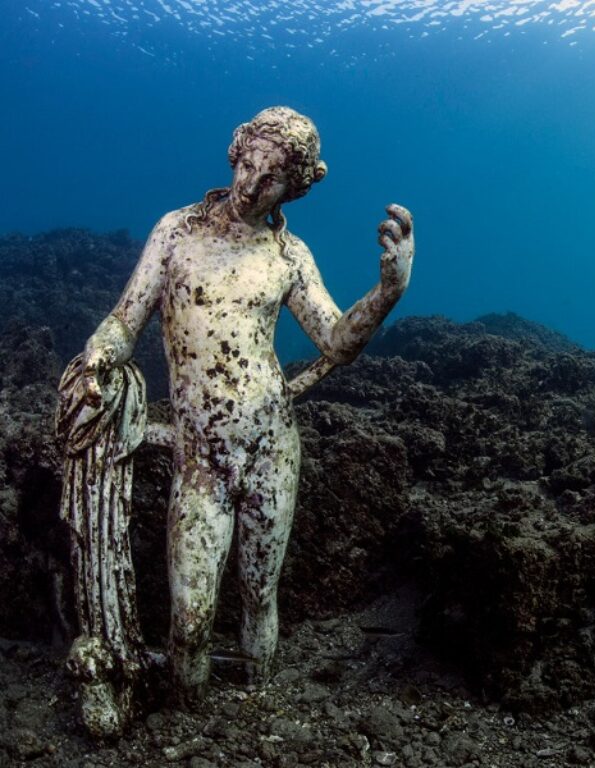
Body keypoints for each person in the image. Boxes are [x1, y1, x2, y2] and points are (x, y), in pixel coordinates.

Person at [80, 106, 414, 703]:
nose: (251, 185)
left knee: (260, 598)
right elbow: (123, 322)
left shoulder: (288, 256)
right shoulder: (176, 233)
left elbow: (337, 342)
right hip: (201, 459)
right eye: (249, 166)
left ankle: (256, 711)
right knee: (191, 618)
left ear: (297, 186)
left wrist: (388, 292)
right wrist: (97, 359)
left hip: (272, 447)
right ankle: (187, 717)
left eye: (272, 180)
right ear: (236, 153)